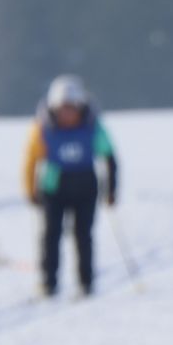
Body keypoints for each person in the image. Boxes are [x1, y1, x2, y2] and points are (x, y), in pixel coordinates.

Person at [22, 73, 118, 297]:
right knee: (50, 235)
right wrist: (30, 189)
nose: (67, 113)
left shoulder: (92, 127)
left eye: (71, 107)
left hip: (85, 184)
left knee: (83, 235)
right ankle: (48, 283)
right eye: (63, 108)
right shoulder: (42, 128)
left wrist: (111, 189)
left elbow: (109, 157)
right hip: (54, 186)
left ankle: (86, 283)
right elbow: (30, 160)